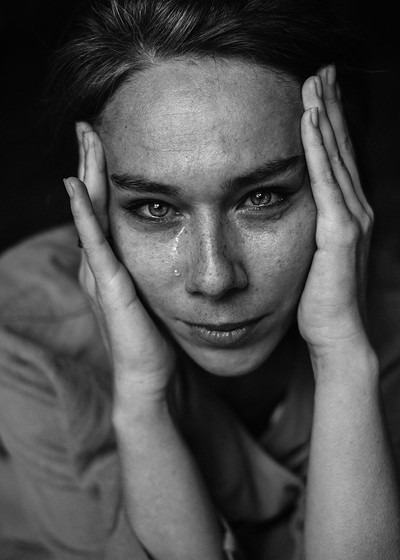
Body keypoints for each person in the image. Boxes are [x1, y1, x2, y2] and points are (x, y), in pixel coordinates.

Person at [0, 0, 400, 559]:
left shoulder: (388, 315)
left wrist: (343, 357)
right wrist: (143, 399)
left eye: (263, 198)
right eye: (154, 208)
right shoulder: (27, 336)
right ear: (99, 199)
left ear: (340, 180)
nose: (214, 278)